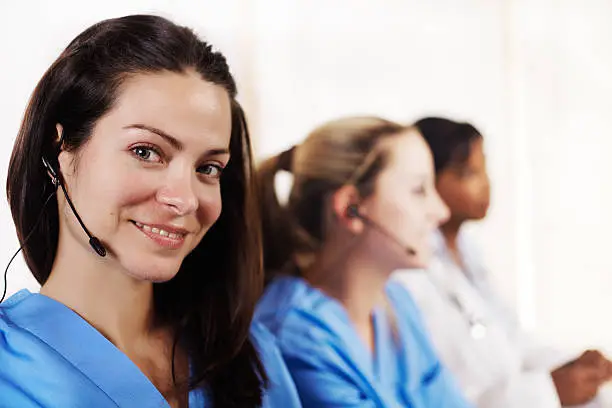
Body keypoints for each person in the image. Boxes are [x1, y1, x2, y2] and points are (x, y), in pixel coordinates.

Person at [0, 15, 300, 408]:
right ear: (58, 150)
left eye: (207, 168)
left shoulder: (252, 357)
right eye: (146, 152)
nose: (186, 199)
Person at [254, 116, 473, 407]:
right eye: (419, 190)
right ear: (351, 209)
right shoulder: (296, 333)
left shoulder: (399, 305)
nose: (441, 211)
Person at [395, 116, 612, 408]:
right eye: (468, 173)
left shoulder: (468, 253)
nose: (485, 185)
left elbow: (509, 338)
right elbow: (453, 389)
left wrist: (572, 365)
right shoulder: (408, 275)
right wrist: (547, 393)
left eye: (483, 170)